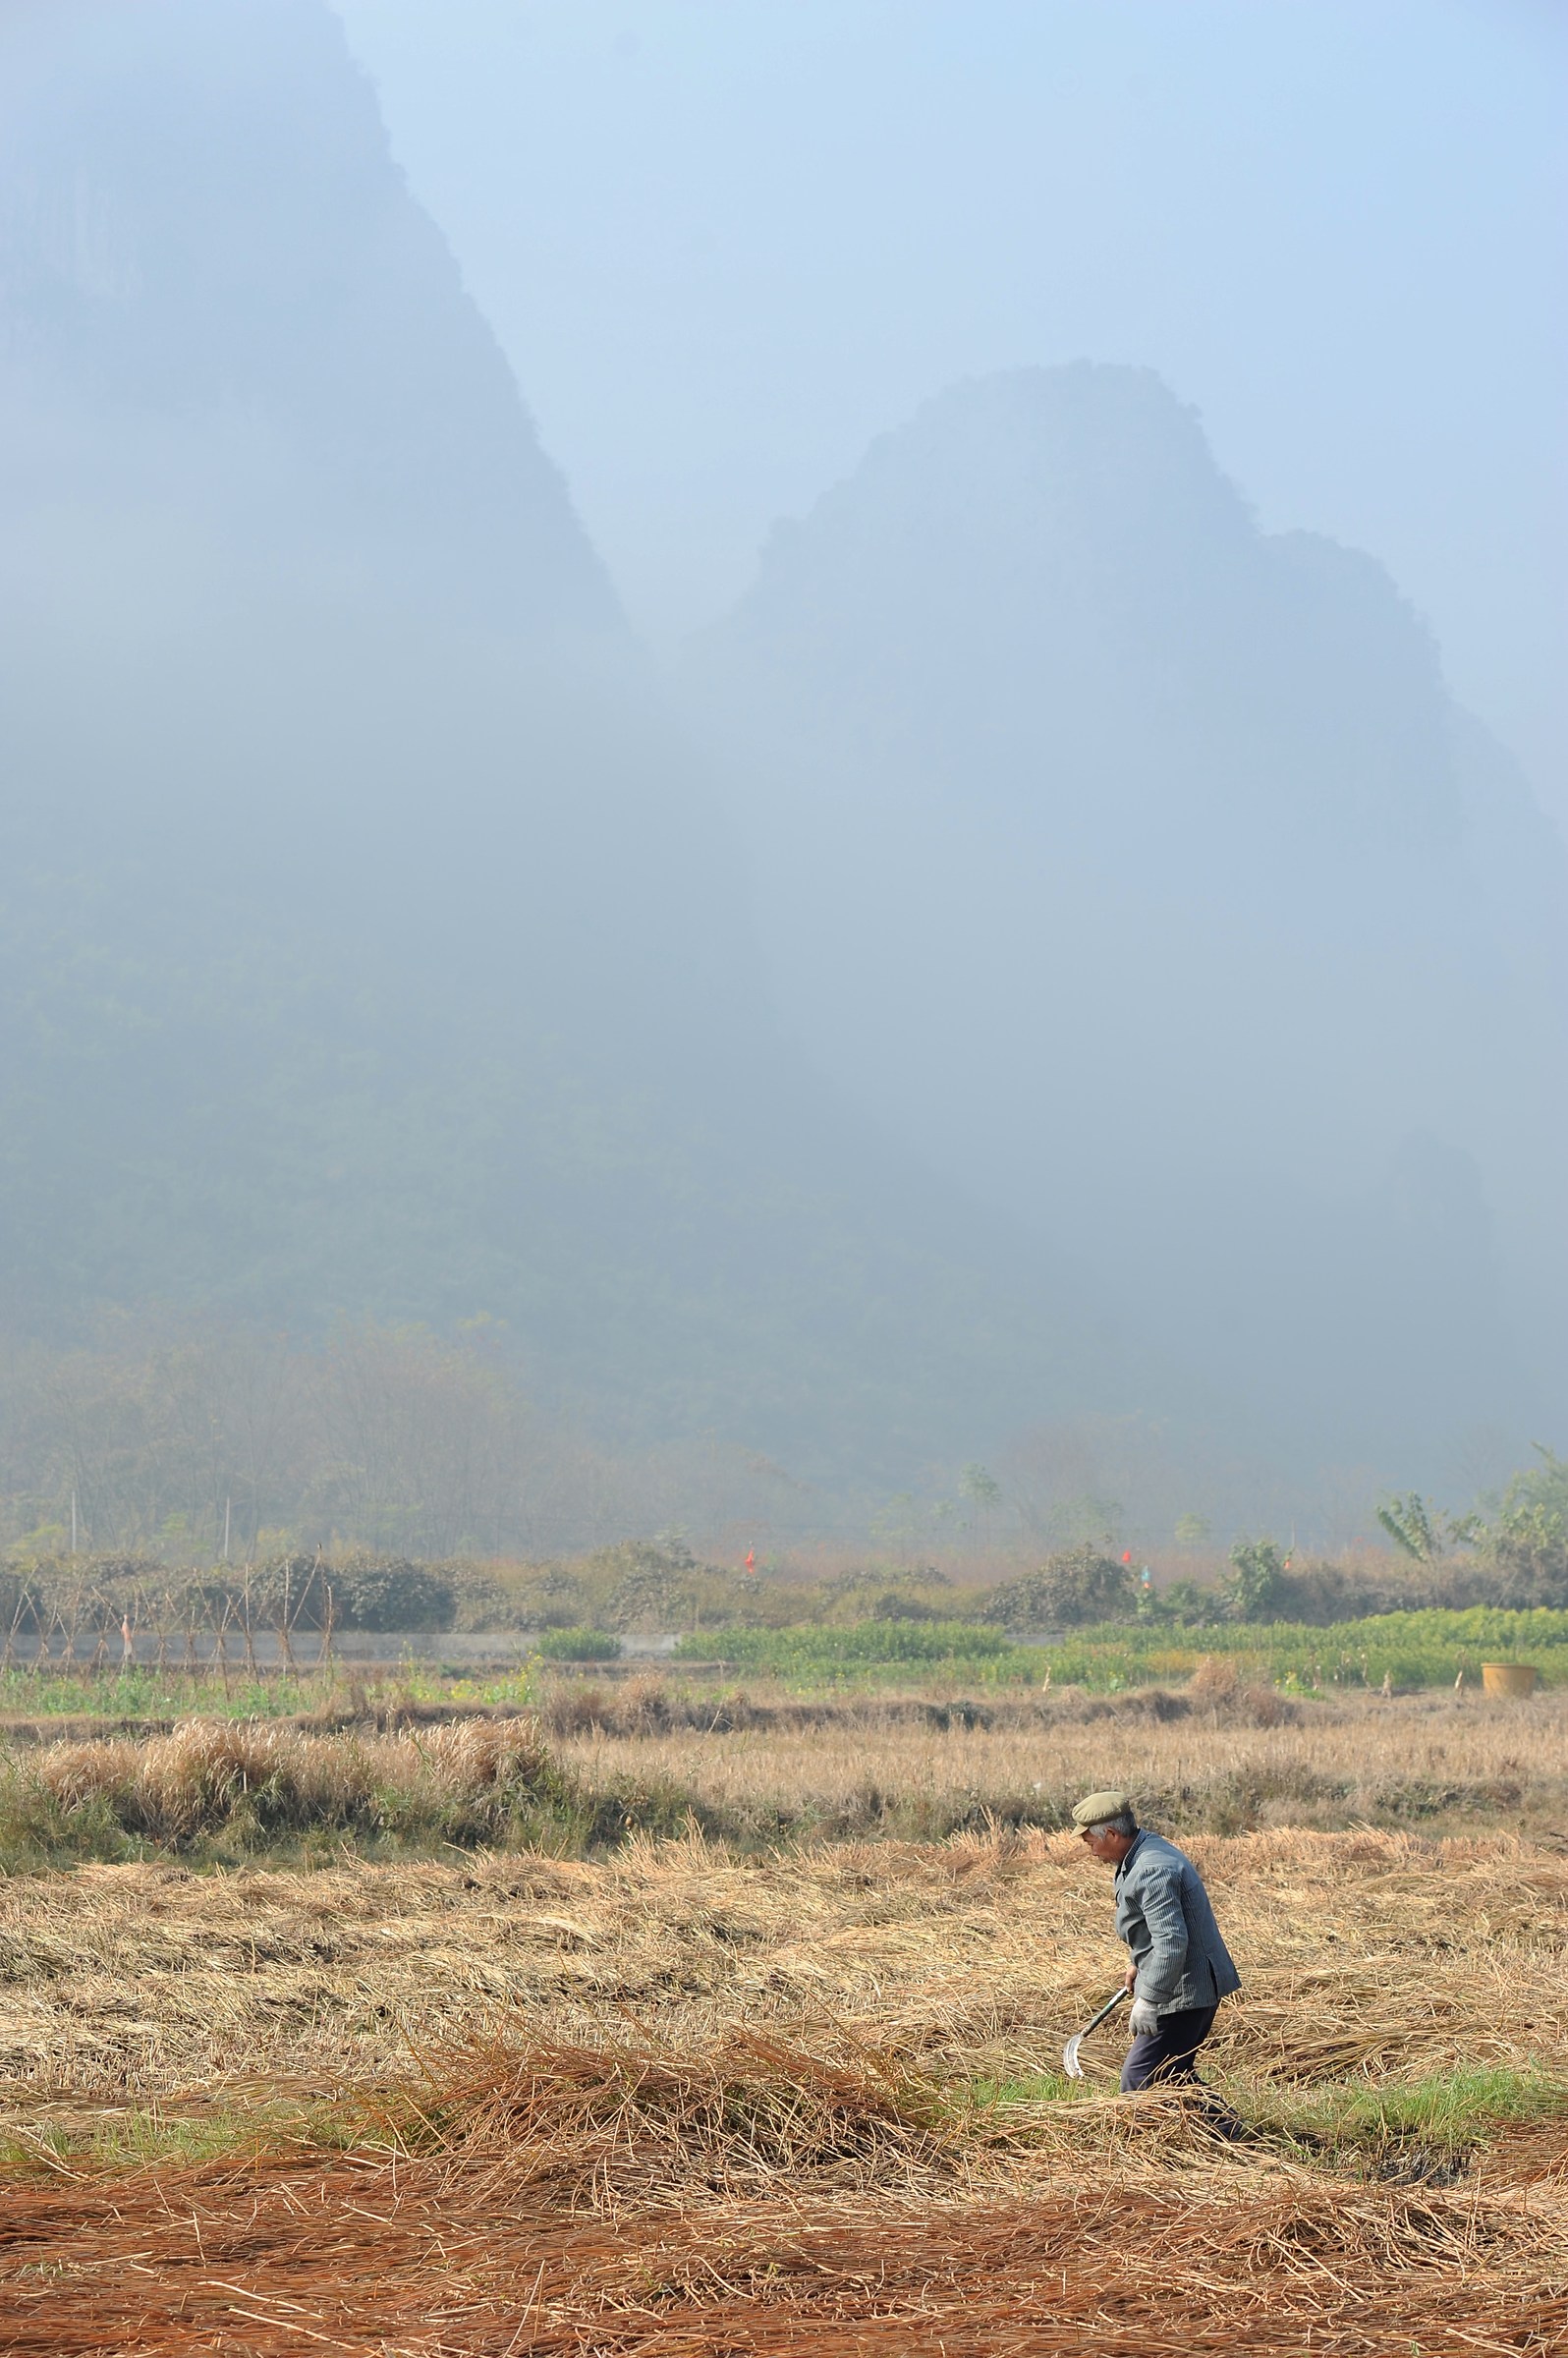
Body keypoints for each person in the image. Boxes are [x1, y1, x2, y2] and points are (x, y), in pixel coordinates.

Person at [1070, 1789, 1242, 2109]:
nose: (1091, 1852)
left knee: (1140, 2079)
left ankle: (1218, 2133)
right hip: (1184, 1981)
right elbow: (1157, 1927)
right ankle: (1230, 2131)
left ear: (1112, 1834)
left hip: (1185, 1990)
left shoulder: (1151, 1869)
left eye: (1091, 1842)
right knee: (1172, 2075)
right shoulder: (1140, 1851)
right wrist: (1139, 1961)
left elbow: (1171, 1942)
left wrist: (1149, 2001)